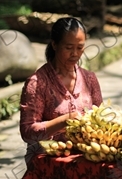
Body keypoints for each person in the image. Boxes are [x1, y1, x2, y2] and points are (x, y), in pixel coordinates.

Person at [19, 17, 103, 165]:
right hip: (48, 164)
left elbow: (101, 117)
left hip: (86, 160)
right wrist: (62, 121)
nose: (75, 54)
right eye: (69, 48)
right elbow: (27, 132)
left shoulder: (89, 79)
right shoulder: (37, 83)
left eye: (80, 47)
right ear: (55, 45)